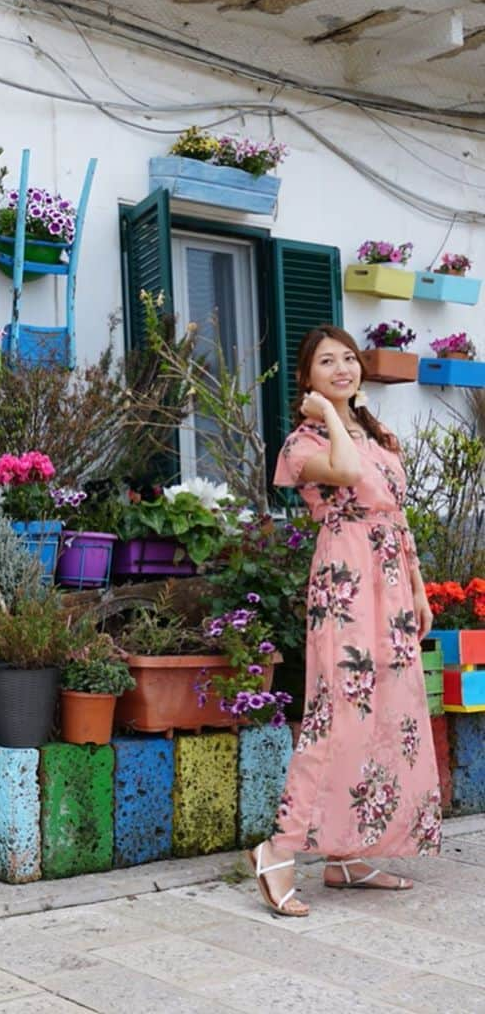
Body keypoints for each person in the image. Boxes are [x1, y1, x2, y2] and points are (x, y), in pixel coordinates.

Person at [247, 324, 441, 917]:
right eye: (327, 362)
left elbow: (398, 516)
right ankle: (277, 851)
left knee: (384, 710)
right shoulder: (303, 444)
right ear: (307, 379)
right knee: (335, 715)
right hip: (347, 582)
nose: (343, 369)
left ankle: (348, 853)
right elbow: (348, 474)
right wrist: (329, 413)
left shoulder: (378, 435)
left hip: (389, 584)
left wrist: (418, 588)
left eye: (350, 359)